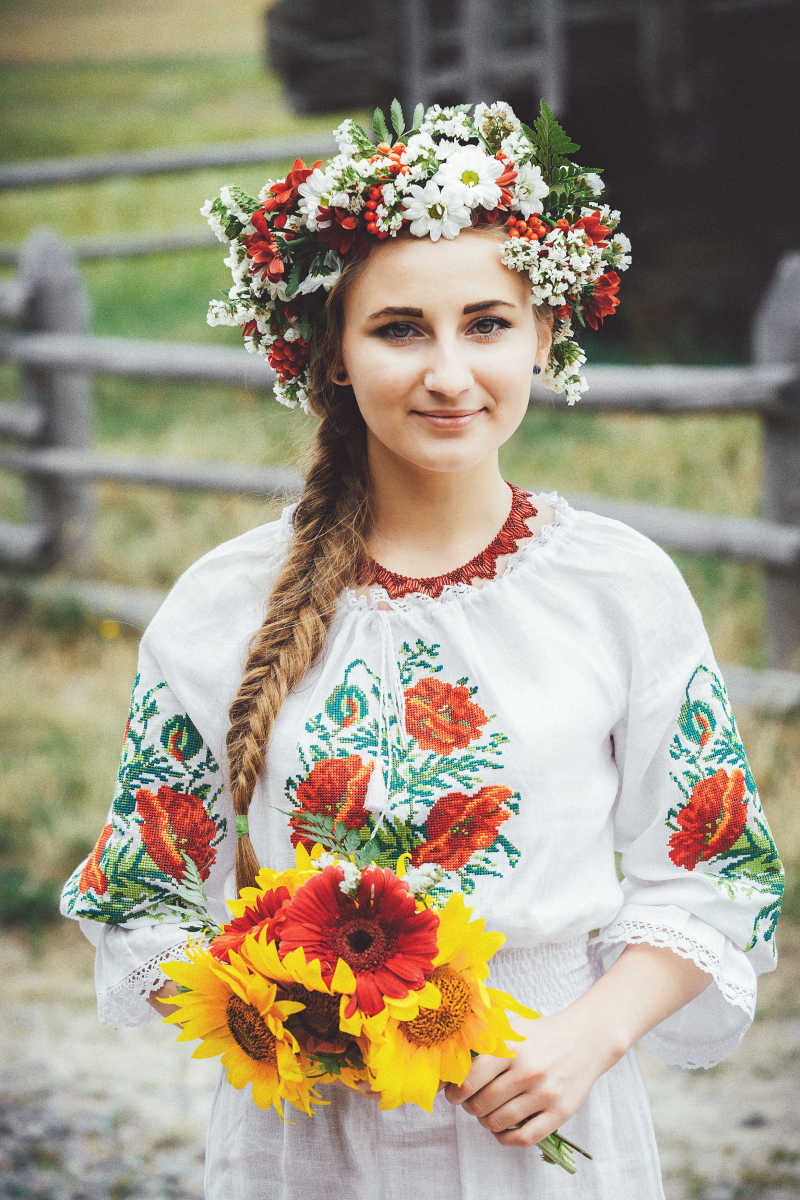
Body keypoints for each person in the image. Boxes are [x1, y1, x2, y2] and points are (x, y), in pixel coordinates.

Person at [61, 100, 784, 1199]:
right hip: (303, 1137)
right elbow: (144, 899)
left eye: (486, 323)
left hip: (541, 1117)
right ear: (333, 356)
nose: (449, 372)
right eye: (400, 328)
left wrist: (582, 1040)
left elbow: (709, 873)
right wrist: (323, 1028)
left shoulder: (615, 588)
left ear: (545, 336)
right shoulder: (223, 606)